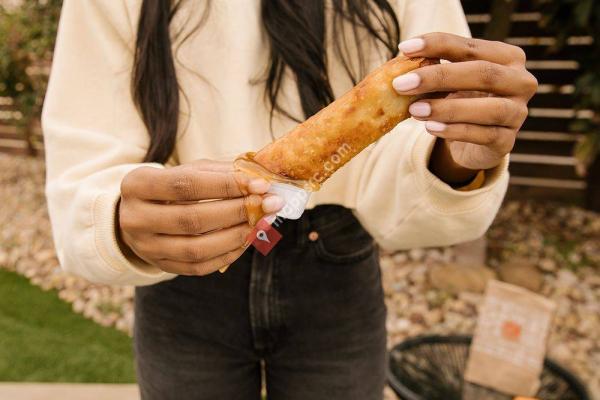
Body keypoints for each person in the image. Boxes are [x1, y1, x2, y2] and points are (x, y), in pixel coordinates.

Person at [42, 1, 537, 399]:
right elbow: (87, 154)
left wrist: (455, 154)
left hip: (335, 261)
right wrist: (118, 216)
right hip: (183, 264)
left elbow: (420, 132)